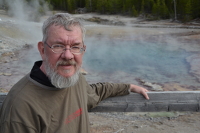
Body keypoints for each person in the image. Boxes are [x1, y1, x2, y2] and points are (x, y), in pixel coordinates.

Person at [0, 13, 149, 133]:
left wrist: (128, 87)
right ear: (42, 50)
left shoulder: (75, 80)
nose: (68, 55)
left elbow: (96, 92)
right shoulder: (20, 107)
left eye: (75, 47)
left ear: (83, 49)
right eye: (58, 46)